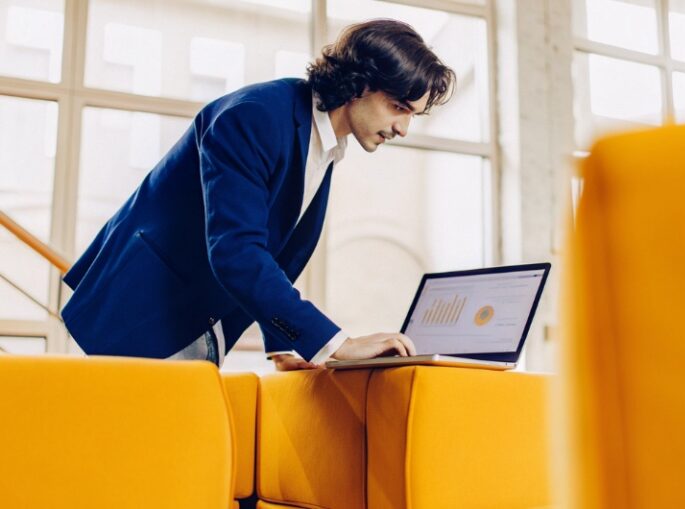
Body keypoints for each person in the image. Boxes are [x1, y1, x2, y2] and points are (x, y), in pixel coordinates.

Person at [61, 19, 455, 371]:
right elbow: (237, 251)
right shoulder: (257, 116)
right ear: (359, 84)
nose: (403, 128)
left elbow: (274, 255)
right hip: (144, 314)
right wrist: (337, 344)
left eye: (412, 115)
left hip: (194, 319)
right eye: (398, 107)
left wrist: (286, 346)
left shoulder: (321, 141)